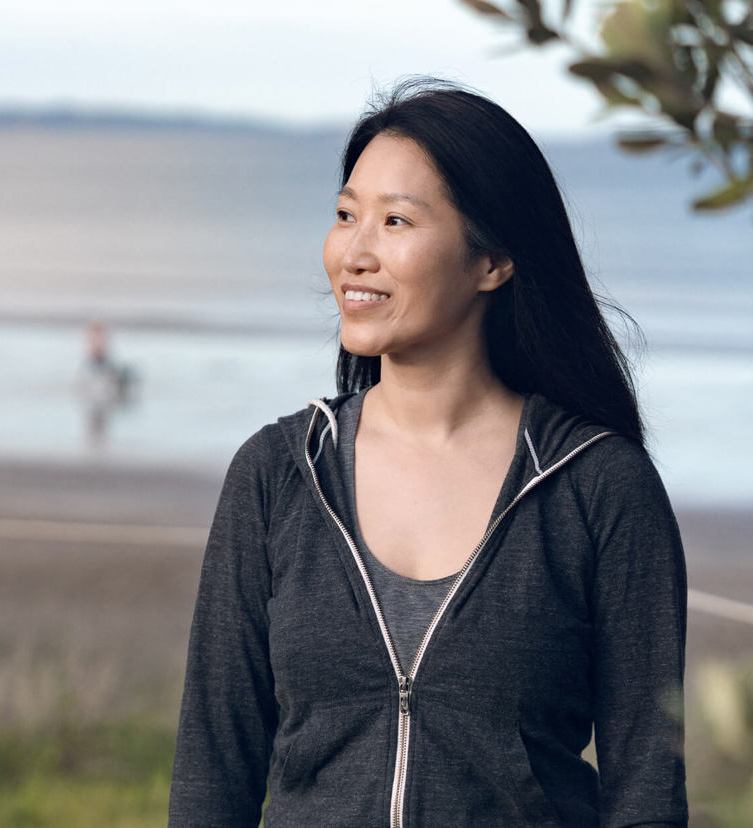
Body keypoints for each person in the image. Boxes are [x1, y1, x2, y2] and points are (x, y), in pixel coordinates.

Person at [168, 79, 687, 827]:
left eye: (396, 221)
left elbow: (647, 793)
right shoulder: (280, 473)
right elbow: (210, 778)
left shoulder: (598, 487)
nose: (356, 252)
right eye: (346, 215)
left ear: (493, 261)